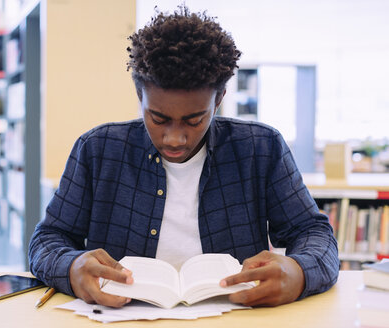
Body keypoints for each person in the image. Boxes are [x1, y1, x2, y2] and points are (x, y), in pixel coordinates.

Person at [29, 6, 339, 308]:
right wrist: (71, 267)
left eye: (194, 120)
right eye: (158, 118)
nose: (175, 138)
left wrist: (298, 271)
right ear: (140, 96)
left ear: (218, 100)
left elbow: (312, 233)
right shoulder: (97, 150)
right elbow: (48, 239)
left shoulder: (262, 147)